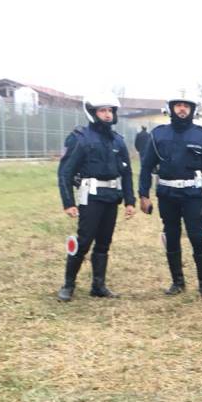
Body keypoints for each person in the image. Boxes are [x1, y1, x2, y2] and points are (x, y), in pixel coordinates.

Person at [56, 94, 136, 301]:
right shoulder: (80, 138)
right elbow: (65, 171)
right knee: (83, 242)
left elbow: (126, 172)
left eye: (110, 110)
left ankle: (98, 285)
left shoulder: (118, 140)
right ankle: (68, 285)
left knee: (104, 243)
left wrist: (130, 201)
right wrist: (68, 203)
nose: (107, 115)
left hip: (112, 196)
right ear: (92, 113)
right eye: (102, 110)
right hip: (90, 197)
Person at [139, 97, 202, 298]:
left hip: (193, 195)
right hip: (167, 194)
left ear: (192, 109)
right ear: (171, 108)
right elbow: (147, 166)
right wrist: (143, 194)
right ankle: (177, 282)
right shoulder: (158, 134)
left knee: (197, 237)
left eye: (186, 106)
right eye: (178, 105)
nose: (182, 109)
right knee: (171, 237)